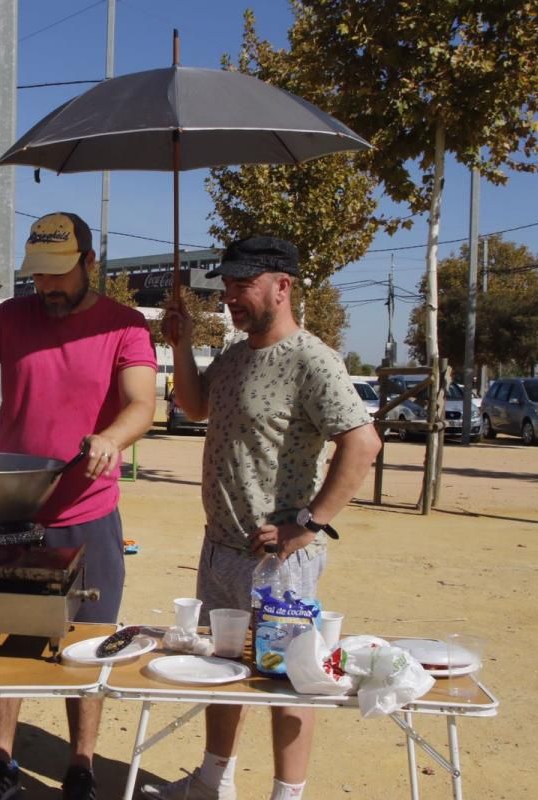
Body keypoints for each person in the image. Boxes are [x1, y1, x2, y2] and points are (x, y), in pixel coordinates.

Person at [0, 212, 158, 800]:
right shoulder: (10, 318)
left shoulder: (125, 327)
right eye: (39, 276)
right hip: (14, 510)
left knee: (89, 641)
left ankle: (81, 766)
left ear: (89, 264)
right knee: (7, 638)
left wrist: (112, 438)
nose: (47, 287)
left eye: (59, 274)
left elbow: (142, 406)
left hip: (88, 512)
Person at [145, 236, 382, 800]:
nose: (230, 296)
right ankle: (213, 782)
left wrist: (311, 524)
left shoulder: (312, 360)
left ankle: (286, 794)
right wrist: (180, 345)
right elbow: (197, 406)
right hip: (222, 549)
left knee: (291, 680)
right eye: (226, 286)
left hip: (279, 560)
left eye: (242, 285)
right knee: (222, 670)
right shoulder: (235, 354)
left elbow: (363, 442)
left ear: (283, 285)